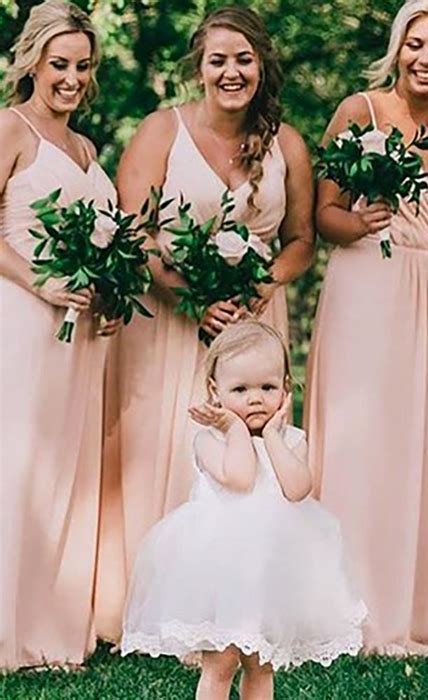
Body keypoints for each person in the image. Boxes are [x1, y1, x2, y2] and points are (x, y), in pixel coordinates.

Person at [95, 6, 314, 642]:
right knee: (161, 453)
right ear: (199, 65)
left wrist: (261, 285)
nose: (231, 71)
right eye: (218, 59)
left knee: (251, 473)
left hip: (253, 325)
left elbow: (301, 240)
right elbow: (132, 234)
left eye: (244, 58)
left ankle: (237, 612)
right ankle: (153, 615)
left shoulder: (289, 145)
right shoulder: (160, 131)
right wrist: (193, 299)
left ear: (261, 65)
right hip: (168, 320)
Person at [304, 0, 428, 655]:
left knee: (416, 442)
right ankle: (342, 607)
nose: (425, 59)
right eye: (415, 45)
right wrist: (361, 220)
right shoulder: (358, 111)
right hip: (365, 283)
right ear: (397, 47)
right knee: (359, 443)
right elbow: (323, 215)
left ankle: (411, 608)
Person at [121, 320, 366, 700]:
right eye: (240, 389)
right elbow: (239, 477)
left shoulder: (290, 440)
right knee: (219, 664)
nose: (255, 399)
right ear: (215, 393)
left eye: (267, 388)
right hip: (222, 574)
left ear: (286, 388)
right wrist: (236, 430)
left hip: (270, 573)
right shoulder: (208, 440)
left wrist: (271, 435)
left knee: (260, 663)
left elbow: (298, 488)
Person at [0, 0, 118, 669]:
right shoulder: (11, 129)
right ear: (34, 62)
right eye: (60, 64)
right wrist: (39, 280)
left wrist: (101, 286)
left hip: (78, 335)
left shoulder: (86, 147)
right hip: (20, 318)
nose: (72, 77)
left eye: (82, 65)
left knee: (59, 475)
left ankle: (49, 626)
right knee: (14, 465)